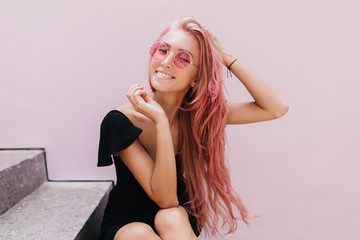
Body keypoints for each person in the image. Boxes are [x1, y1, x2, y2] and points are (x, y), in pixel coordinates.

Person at [97, 16, 289, 240]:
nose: (167, 61)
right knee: (140, 232)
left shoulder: (197, 116)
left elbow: (276, 108)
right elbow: (165, 198)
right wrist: (160, 122)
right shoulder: (120, 120)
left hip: (177, 219)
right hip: (127, 221)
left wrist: (224, 57)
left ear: (196, 79)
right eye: (162, 50)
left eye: (183, 58)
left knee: (171, 217)